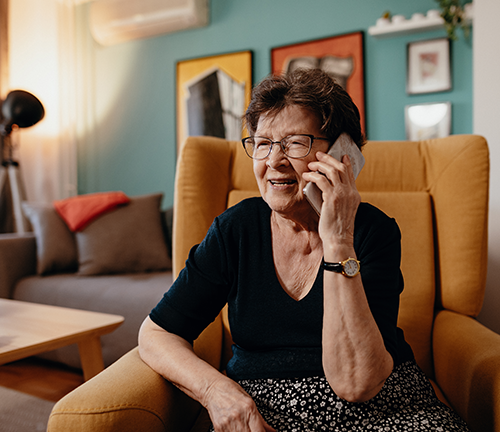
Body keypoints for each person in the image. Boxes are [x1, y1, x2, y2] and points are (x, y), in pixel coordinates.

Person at [138, 68, 470, 432]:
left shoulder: (374, 232)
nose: (274, 161)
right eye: (262, 143)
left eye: (295, 142)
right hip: (265, 408)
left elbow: (357, 383)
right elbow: (157, 334)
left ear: (343, 155)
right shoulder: (236, 230)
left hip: (384, 407)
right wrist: (217, 392)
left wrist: (339, 240)